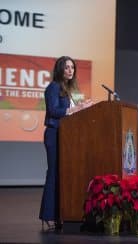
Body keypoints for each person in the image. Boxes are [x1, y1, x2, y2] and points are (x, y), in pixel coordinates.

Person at [39, 56, 93, 230]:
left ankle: (62, 213)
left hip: (67, 136)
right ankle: (48, 215)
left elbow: (70, 114)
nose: (70, 70)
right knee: (54, 173)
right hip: (54, 135)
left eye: (72, 67)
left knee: (64, 175)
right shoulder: (53, 87)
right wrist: (74, 109)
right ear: (60, 69)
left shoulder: (69, 90)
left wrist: (82, 107)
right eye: (67, 67)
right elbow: (54, 111)